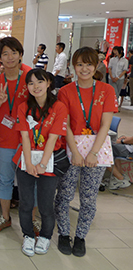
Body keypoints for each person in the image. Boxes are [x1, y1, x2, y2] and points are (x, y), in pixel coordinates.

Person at [55, 47, 117, 257]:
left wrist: (93, 153)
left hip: (97, 150)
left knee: (89, 198)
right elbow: (66, 125)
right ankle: (64, 233)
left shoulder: (107, 90)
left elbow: (105, 125)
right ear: (73, 66)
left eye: (88, 64)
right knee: (64, 195)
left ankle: (81, 237)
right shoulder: (65, 91)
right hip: (72, 148)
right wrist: (75, 152)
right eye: (79, 64)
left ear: (96, 65)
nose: (84, 69)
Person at [14, 69, 68, 256]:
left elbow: (53, 138)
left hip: (49, 162)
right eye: (31, 83)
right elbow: (25, 138)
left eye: (40, 82)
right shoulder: (23, 107)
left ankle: (45, 237)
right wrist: (29, 163)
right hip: (26, 160)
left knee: (46, 205)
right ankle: (28, 235)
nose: (35, 86)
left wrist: (42, 165)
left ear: (48, 83)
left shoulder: (59, 107)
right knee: (26, 203)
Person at [0, 36, 32, 234]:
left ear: (20, 55)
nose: (10, 57)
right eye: (5, 53)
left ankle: (32, 219)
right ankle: (5, 218)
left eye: (14, 52)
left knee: (30, 181)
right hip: (6, 140)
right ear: (0, 59)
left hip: (30, 141)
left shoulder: (32, 77)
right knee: (5, 180)